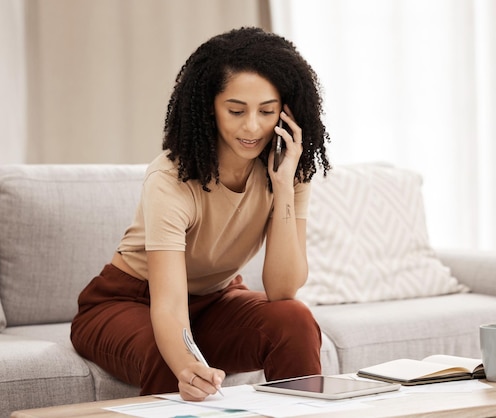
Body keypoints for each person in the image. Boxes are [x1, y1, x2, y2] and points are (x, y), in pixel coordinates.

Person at [70, 26, 331, 401]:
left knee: (294, 318)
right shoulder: (172, 177)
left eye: (267, 111)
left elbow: (282, 289)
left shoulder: (289, 170)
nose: (252, 126)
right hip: (128, 302)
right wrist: (186, 366)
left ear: (286, 112)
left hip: (214, 302)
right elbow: (170, 307)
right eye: (236, 110)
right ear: (210, 107)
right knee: (169, 352)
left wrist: (284, 186)